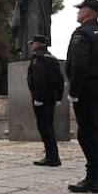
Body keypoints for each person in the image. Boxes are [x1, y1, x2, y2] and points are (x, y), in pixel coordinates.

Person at [64, 0, 98, 192]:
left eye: (80, 9)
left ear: (88, 12)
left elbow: (79, 65)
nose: (78, 12)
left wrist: (74, 91)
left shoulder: (82, 34)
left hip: (86, 88)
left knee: (86, 131)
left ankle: (93, 178)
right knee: (96, 130)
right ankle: (97, 176)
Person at [25, 35, 63, 166]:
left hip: (42, 97)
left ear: (37, 44)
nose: (31, 46)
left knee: (44, 127)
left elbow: (39, 78)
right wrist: (59, 97)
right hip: (52, 96)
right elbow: (60, 78)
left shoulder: (37, 57)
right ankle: (52, 155)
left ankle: (52, 157)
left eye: (33, 43)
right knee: (49, 126)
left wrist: (38, 98)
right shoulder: (52, 57)